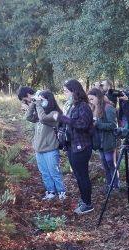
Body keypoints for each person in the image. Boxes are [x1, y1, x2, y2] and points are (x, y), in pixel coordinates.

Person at [53, 79, 94, 214]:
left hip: (82, 146)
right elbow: (68, 124)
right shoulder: (71, 106)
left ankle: (88, 204)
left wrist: (63, 119)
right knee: (77, 175)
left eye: (66, 91)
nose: (64, 93)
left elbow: (82, 124)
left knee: (82, 175)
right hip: (72, 145)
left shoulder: (84, 106)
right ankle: (84, 200)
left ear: (74, 91)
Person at [24, 90, 66, 200]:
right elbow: (28, 117)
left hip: (50, 149)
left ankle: (61, 192)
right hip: (39, 149)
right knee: (45, 173)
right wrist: (33, 103)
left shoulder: (54, 113)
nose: (40, 101)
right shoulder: (40, 113)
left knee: (54, 172)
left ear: (49, 100)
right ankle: (51, 191)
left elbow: (43, 118)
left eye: (42, 99)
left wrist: (38, 104)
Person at [88, 88, 119, 193]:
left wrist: (98, 124)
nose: (90, 101)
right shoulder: (94, 108)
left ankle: (115, 186)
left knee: (111, 164)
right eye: (89, 100)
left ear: (98, 97)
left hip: (108, 141)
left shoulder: (108, 107)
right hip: (99, 142)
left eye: (92, 99)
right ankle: (109, 185)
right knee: (105, 165)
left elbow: (113, 125)